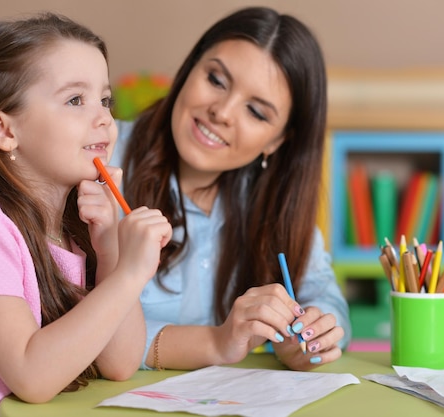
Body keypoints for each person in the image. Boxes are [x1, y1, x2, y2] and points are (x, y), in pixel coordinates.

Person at [0, 12, 172, 417]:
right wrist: (133, 274)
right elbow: (32, 376)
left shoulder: (78, 224)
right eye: (75, 100)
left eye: (105, 99)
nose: (104, 118)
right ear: (5, 131)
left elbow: (119, 363)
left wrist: (112, 250)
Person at [112, 6, 351, 372]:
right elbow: (80, 329)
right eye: (217, 80)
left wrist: (316, 331)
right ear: (190, 68)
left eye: (256, 112)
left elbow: (322, 292)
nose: (222, 112)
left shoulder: (275, 201)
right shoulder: (102, 161)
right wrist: (216, 344)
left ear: (278, 141)